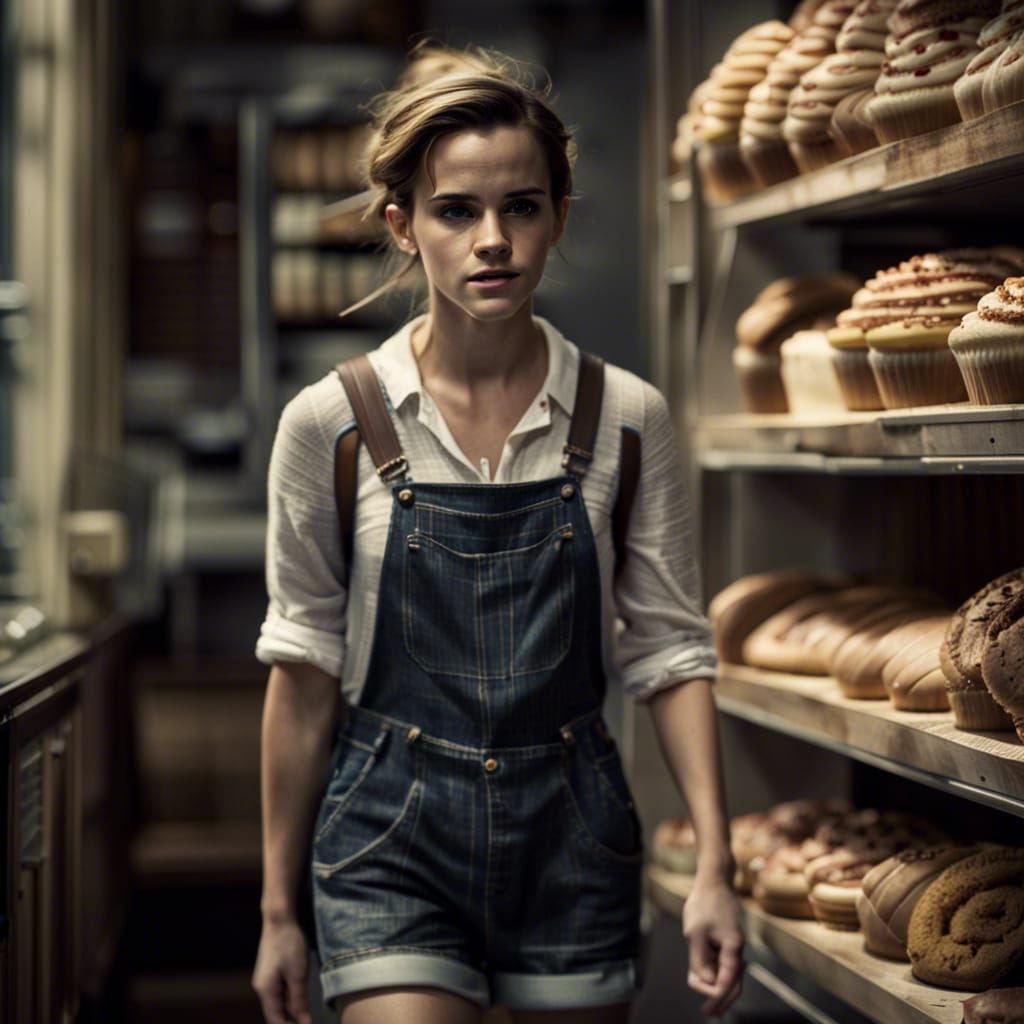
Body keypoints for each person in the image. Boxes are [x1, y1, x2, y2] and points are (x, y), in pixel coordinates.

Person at [251, 44, 744, 1024]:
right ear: (403, 224)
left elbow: (672, 652)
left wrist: (714, 867)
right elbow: (303, 673)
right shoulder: (333, 422)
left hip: (573, 835)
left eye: (520, 206)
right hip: (388, 835)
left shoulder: (626, 417)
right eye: (456, 210)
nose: (492, 239)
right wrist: (276, 908)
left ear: (558, 216)